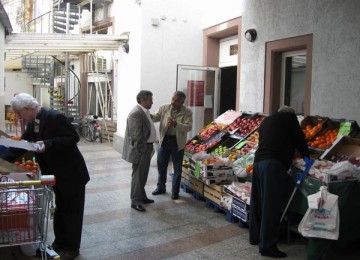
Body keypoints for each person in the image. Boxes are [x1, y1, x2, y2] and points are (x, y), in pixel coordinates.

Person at [9, 93, 90, 260]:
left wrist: (48, 144)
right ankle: (60, 243)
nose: (18, 116)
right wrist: (3, 156)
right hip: (56, 175)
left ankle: (72, 248)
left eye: (19, 113)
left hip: (71, 174)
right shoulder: (34, 122)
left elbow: (72, 138)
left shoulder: (55, 117)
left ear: (27, 109)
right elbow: (23, 145)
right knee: (60, 211)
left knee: (72, 213)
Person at [249, 106, 311, 258]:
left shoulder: (267, 120)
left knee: (258, 202)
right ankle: (267, 246)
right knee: (271, 206)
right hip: (273, 166)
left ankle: (255, 237)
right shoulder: (290, 119)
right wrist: (306, 156)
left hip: (258, 164)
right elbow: (299, 139)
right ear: (292, 115)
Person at [151, 91, 193, 200]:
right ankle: (161, 187)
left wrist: (176, 125)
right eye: (173, 99)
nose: (173, 102)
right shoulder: (164, 108)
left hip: (178, 142)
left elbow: (188, 127)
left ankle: (175, 192)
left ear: (182, 101)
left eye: (177, 100)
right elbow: (155, 117)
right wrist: (147, 114)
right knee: (161, 165)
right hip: (165, 140)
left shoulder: (187, 112)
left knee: (177, 168)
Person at [122, 90, 156, 212]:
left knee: (143, 175)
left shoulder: (144, 111)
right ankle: (135, 201)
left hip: (146, 148)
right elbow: (136, 136)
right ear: (142, 100)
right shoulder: (136, 113)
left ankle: (142, 196)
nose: (152, 102)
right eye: (150, 100)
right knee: (138, 176)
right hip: (141, 150)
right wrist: (143, 149)